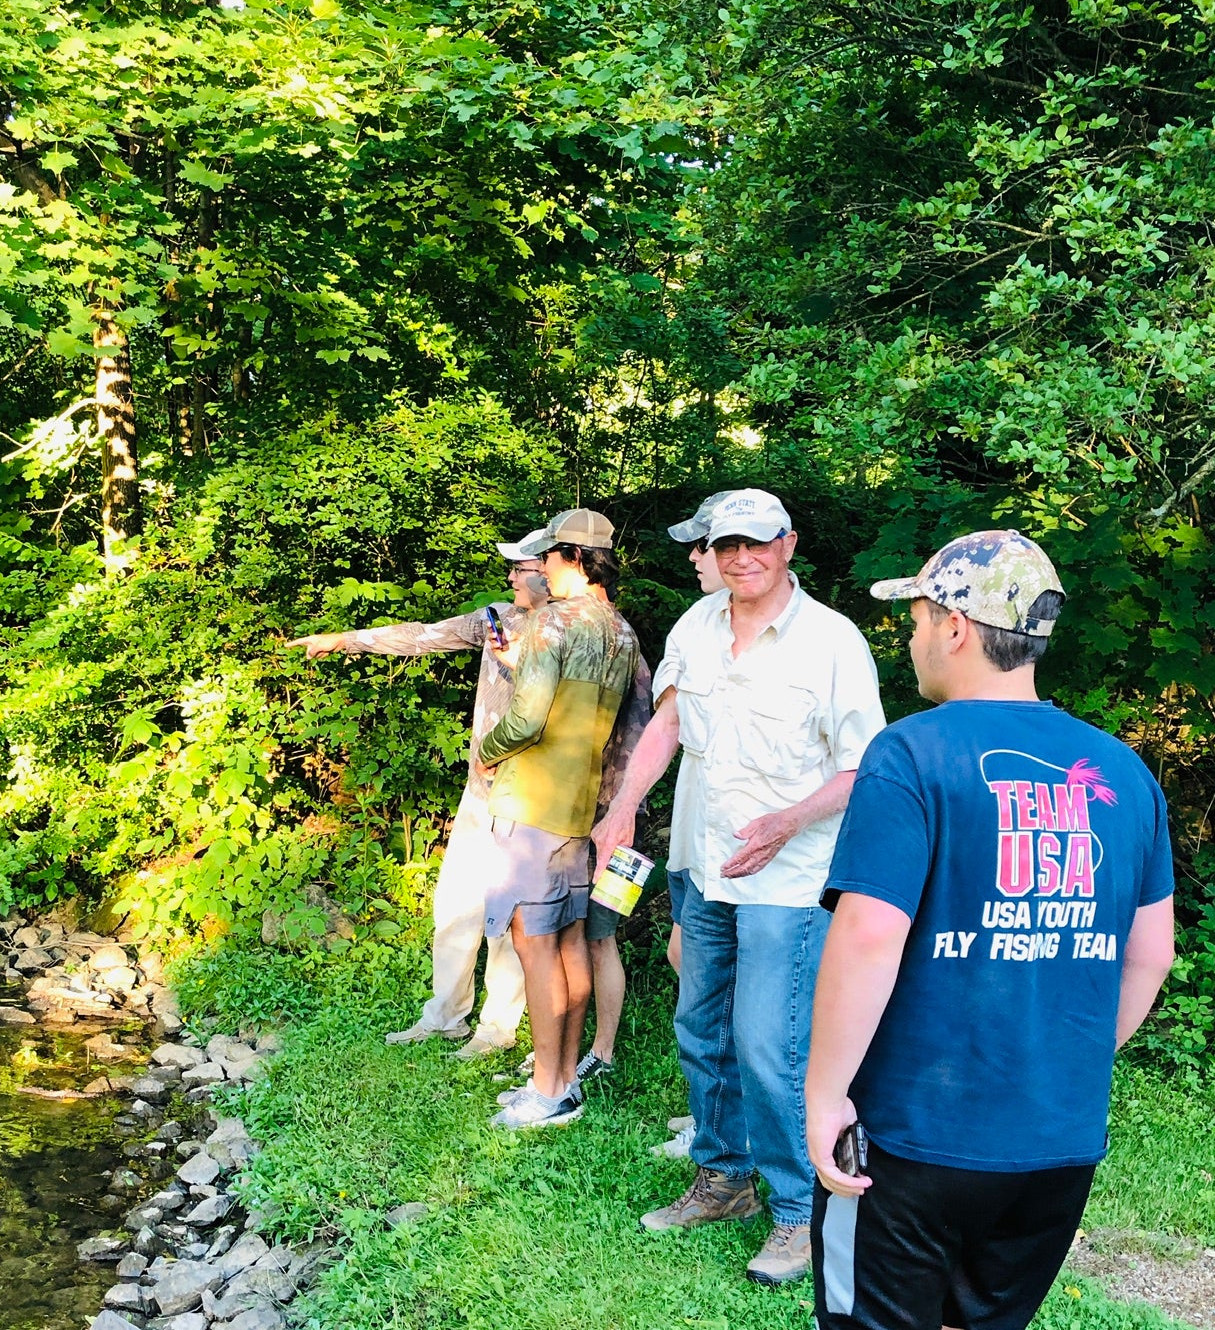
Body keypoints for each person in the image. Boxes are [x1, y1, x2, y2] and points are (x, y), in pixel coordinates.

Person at [803, 532, 1176, 1330]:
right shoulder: (1121, 773)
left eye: (919, 618)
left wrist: (823, 1093)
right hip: (1054, 1141)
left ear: (956, 625)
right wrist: (1062, 1059)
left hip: (905, 1140)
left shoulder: (911, 755)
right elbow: (1151, 956)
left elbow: (866, 941)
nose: (914, 637)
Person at [594, 489, 885, 1284]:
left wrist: (788, 822)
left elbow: (864, 768)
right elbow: (668, 725)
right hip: (703, 864)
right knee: (700, 1028)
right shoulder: (697, 624)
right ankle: (722, 1180)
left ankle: (799, 1211)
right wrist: (623, 806)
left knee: (770, 1044)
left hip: (788, 880)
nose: (739, 558)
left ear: (788, 544)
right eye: (725, 546)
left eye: (756, 544)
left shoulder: (832, 641)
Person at [289, 535, 548, 1053]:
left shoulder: (572, 632)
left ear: (552, 568)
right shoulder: (496, 616)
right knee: (455, 903)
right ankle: (445, 1014)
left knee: (506, 917)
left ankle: (497, 1028)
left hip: (531, 799)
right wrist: (346, 640)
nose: (512, 578)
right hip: (480, 792)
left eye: (521, 568)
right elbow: (425, 636)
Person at [476, 509, 639, 1130]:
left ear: (571, 558)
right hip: (578, 808)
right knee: (570, 941)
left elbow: (529, 721)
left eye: (548, 556)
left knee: (535, 945)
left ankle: (545, 1093)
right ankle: (565, 1080)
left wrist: (486, 754)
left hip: (532, 803)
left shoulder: (550, 622)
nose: (540, 567)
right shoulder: (619, 629)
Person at [661, 491, 729, 978]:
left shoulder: (815, 638)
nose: (692, 556)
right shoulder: (693, 623)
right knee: (682, 955)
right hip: (692, 833)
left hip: (756, 853)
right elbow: (669, 711)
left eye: (701, 545)